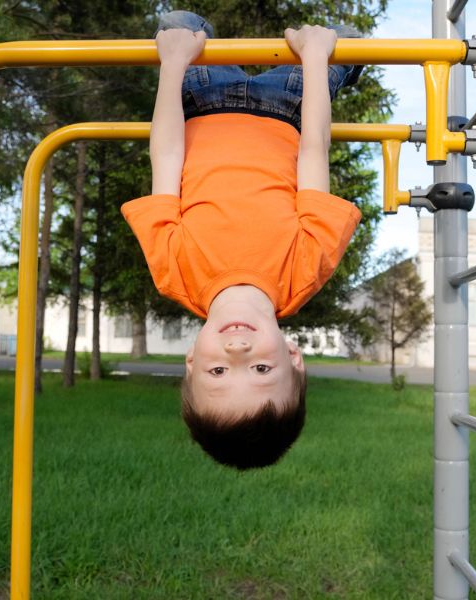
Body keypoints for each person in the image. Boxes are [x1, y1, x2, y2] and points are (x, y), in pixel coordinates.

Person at [121, 11, 363, 470]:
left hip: (202, 98)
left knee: (177, 21)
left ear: (191, 361)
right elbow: (314, 150)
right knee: (347, 43)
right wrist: (314, 59)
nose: (237, 353)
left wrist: (173, 65)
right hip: (288, 105)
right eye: (261, 370)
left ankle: (190, 39)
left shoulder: (172, 271)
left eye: (217, 372)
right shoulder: (306, 268)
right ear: (293, 357)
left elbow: (167, 156)